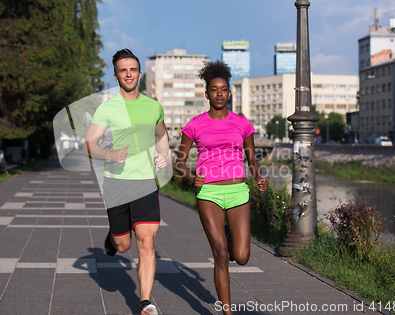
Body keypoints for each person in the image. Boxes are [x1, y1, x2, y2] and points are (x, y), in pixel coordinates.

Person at [175, 60, 268, 315]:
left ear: (229, 93)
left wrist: (258, 176)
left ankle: (229, 236)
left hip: (238, 192)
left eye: (223, 89)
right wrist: (189, 176)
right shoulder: (195, 125)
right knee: (221, 255)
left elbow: (252, 159)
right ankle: (227, 312)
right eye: (214, 89)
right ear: (207, 94)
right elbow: (179, 162)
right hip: (209, 194)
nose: (219, 93)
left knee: (242, 256)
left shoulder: (242, 123)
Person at [83, 49, 168, 315]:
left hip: (144, 182)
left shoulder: (153, 106)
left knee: (147, 242)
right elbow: (89, 145)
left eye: (132, 69)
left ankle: (145, 302)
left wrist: (163, 156)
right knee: (123, 245)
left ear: (139, 73)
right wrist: (108, 154)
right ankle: (112, 240)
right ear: (117, 75)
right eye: (123, 70)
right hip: (117, 183)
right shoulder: (107, 108)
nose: (128, 74)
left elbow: (161, 134)